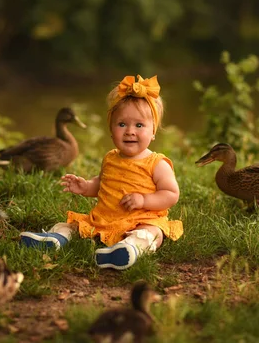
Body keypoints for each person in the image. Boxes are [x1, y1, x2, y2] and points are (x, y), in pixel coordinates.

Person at [20, 75, 183, 270]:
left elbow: (171, 194)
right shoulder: (110, 158)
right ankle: (55, 239)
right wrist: (87, 186)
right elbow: (106, 183)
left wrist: (144, 200)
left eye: (139, 125)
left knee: (152, 233)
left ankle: (130, 249)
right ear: (111, 129)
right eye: (122, 124)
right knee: (75, 225)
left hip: (143, 219)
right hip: (106, 218)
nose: (130, 131)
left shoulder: (157, 163)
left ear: (153, 131)